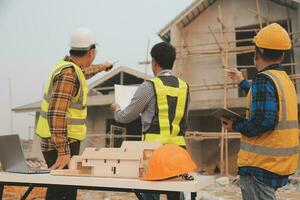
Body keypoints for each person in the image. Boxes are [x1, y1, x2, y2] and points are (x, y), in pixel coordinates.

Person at [221, 23, 298, 200]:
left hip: (260, 165)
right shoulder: (285, 81)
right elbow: (266, 101)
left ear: (256, 53)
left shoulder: (264, 79)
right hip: (278, 163)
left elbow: (264, 120)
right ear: (283, 55)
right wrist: (242, 83)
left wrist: (235, 125)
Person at [36, 27, 113, 200]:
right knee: (64, 193)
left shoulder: (70, 68)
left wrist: (103, 67)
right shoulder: (69, 74)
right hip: (60, 144)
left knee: (61, 191)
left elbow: (84, 72)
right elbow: (56, 113)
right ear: (91, 52)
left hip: (58, 141)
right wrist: (64, 151)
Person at [111, 42, 189, 200]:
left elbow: (126, 116)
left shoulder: (149, 86)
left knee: (149, 193)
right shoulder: (184, 87)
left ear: (154, 62)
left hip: (152, 152)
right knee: (175, 193)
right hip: (177, 152)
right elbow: (183, 120)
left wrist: (116, 110)